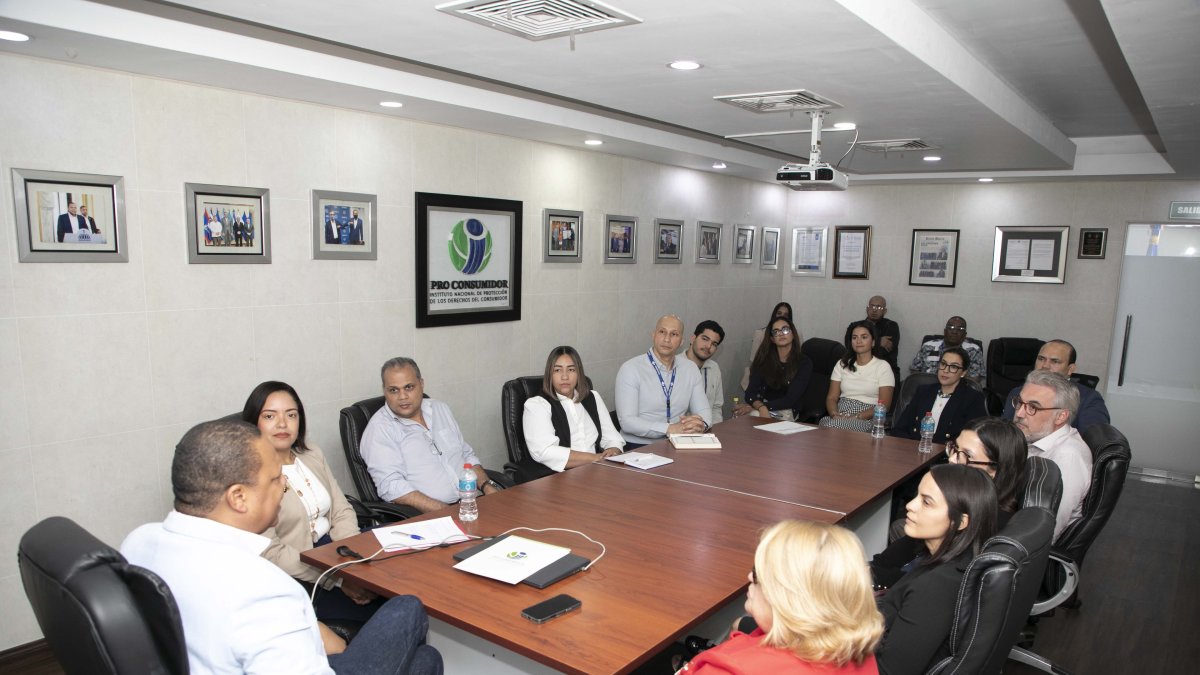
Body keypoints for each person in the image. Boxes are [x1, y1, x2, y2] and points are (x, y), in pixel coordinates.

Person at [121, 419, 442, 674]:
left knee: (424, 660)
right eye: (276, 479)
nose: (285, 485)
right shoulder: (263, 587)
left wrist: (307, 627)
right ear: (238, 497)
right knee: (409, 608)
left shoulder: (137, 542)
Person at [241, 381, 379, 622]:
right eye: (270, 416)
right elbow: (271, 551)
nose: (282, 424)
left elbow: (341, 510)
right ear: (254, 423)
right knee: (380, 612)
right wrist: (337, 580)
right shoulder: (249, 475)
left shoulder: (311, 453)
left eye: (291, 415)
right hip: (301, 572)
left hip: (338, 552)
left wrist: (352, 562)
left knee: (402, 580)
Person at [678, 521, 882, 674]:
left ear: (786, 594)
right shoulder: (858, 654)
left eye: (758, 572)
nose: (750, 577)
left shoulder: (728, 671)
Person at [873, 464, 998, 675]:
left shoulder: (936, 587)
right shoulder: (948, 559)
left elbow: (890, 671)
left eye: (926, 502)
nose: (910, 506)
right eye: (916, 496)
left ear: (960, 522)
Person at [875, 417, 1027, 586]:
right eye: (954, 448)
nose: (952, 459)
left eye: (966, 456)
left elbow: (924, 585)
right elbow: (890, 560)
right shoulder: (966, 505)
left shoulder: (977, 524)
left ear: (995, 471)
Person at [360, 357, 502, 513]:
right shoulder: (380, 429)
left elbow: (466, 455)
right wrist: (445, 511)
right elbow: (391, 486)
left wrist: (487, 486)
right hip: (430, 515)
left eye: (409, 387)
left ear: (421, 384)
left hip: (471, 505)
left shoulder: (440, 408)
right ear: (384, 390)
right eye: (393, 390)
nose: (402, 397)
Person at [1013, 369, 1091, 539]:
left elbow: (1045, 532)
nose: (1019, 413)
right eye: (1019, 403)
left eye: (1033, 407)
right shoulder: (1036, 439)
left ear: (1061, 416)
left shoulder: (1067, 458)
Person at [614, 315, 712, 447]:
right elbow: (627, 422)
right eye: (662, 332)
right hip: (638, 446)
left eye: (674, 334)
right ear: (653, 335)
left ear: (681, 341)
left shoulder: (690, 369)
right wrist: (669, 428)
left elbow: (704, 411)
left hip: (678, 443)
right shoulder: (631, 369)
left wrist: (700, 425)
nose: (667, 339)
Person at [523, 346, 625, 472]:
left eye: (571, 369)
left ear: (579, 373)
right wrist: (595, 458)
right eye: (557, 370)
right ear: (550, 374)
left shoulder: (593, 397)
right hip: (557, 477)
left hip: (597, 471)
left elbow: (612, 438)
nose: (565, 377)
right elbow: (545, 451)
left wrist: (612, 451)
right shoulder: (537, 405)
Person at [1002, 339, 1110, 432]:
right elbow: (1005, 431)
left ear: (1070, 369)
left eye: (1055, 361)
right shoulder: (1018, 392)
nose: (1045, 366)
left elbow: (1095, 440)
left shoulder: (1088, 399)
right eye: (1041, 359)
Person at [891, 347, 986, 444]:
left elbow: (973, 439)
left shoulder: (973, 398)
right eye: (943, 364)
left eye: (953, 367)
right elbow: (899, 429)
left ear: (963, 372)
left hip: (946, 455)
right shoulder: (923, 391)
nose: (946, 370)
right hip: (914, 450)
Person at [820, 321, 895, 432]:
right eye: (854, 338)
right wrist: (834, 414)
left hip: (868, 417)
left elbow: (884, 405)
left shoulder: (883, 367)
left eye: (864, 337)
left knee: (832, 427)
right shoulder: (842, 364)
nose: (858, 341)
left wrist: (856, 417)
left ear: (873, 342)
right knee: (824, 423)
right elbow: (832, 398)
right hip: (840, 414)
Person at [736, 316, 813, 421]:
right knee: (739, 417)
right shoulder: (764, 359)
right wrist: (760, 407)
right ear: (772, 339)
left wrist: (761, 407)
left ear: (793, 334)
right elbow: (750, 393)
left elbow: (789, 400)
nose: (781, 333)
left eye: (785, 329)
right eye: (776, 332)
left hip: (787, 410)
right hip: (762, 407)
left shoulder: (804, 362)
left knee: (754, 418)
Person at [741, 302, 798, 392]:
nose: (781, 316)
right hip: (763, 378)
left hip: (786, 380)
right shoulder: (760, 334)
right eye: (779, 313)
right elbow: (755, 361)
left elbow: (797, 360)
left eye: (786, 315)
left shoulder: (795, 335)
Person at [909, 315, 984, 381]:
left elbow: (974, 379)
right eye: (951, 327)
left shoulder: (973, 350)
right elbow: (915, 370)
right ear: (945, 331)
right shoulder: (928, 346)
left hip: (958, 392)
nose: (954, 331)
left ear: (965, 335)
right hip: (926, 389)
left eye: (960, 329)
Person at [684, 320, 726, 424]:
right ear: (693, 338)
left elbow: (716, 408)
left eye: (714, 344)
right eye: (705, 339)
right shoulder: (674, 365)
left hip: (706, 430)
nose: (708, 346)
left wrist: (713, 430)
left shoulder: (714, 368)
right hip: (679, 430)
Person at [845, 296, 899, 369]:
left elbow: (882, 352)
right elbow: (849, 346)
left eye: (879, 307)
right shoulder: (854, 326)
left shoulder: (891, 326)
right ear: (867, 309)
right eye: (872, 306)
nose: (874, 310)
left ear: (885, 311)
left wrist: (861, 345)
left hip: (885, 369)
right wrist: (878, 341)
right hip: (858, 367)